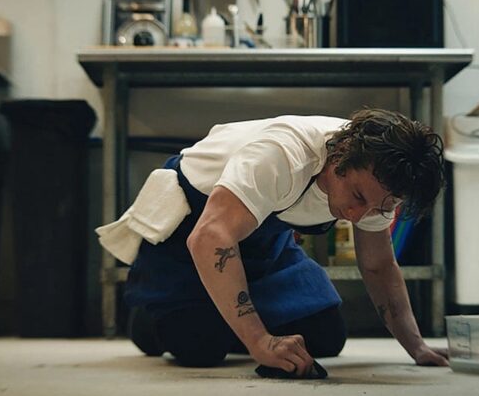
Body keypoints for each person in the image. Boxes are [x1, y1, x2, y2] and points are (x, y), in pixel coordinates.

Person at [120, 108, 449, 377]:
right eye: (357, 196)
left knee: (326, 336)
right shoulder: (283, 155)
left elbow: (378, 265)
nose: (357, 215)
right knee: (200, 345)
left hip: (264, 241)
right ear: (340, 157)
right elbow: (209, 237)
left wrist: (416, 346)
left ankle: (229, 319)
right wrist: (260, 341)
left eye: (379, 209)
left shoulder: (382, 184)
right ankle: (150, 312)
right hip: (195, 231)